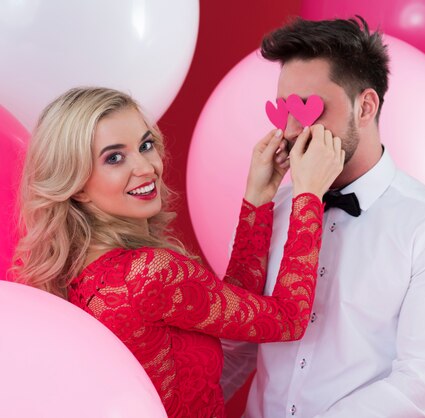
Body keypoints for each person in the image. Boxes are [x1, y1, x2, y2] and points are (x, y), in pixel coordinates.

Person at [12, 87, 344, 417]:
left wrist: (258, 195)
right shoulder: (151, 273)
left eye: (145, 145)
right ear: (77, 185)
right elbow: (288, 318)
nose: (145, 167)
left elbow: (234, 307)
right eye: (114, 157)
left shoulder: (72, 277)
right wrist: (309, 194)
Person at [220, 17, 425, 418]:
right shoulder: (271, 208)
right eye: (284, 110)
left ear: (366, 106)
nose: (291, 130)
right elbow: (239, 344)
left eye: (310, 109)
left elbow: (419, 383)